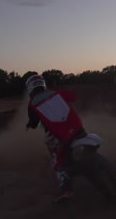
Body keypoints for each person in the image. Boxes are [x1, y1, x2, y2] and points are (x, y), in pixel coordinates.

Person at [25, 74, 87, 202]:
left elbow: (34, 122)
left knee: (57, 161)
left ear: (30, 88)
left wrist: (29, 124)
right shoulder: (56, 93)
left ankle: (66, 189)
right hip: (78, 128)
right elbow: (73, 97)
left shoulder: (32, 104)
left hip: (61, 136)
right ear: (43, 84)